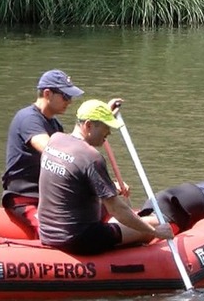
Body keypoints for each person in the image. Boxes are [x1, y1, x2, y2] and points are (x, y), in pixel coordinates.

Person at [37, 99, 173, 255]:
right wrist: (156, 232)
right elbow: (116, 209)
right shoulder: (91, 157)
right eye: (105, 127)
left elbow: (73, 175)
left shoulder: (55, 140)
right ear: (88, 125)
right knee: (156, 223)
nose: (108, 133)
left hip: (47, 233)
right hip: (79, 239)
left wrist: (105, 113)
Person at [1, 69, 123, 238]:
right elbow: (56, 153)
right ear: (47, 93)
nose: (70, 101)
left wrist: (100, 120)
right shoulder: (28, 119)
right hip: (25, 198)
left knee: (103, 211)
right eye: (65, 96)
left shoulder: (55, 125)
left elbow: (76, 148)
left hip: (50, 198)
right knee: (50, 232)